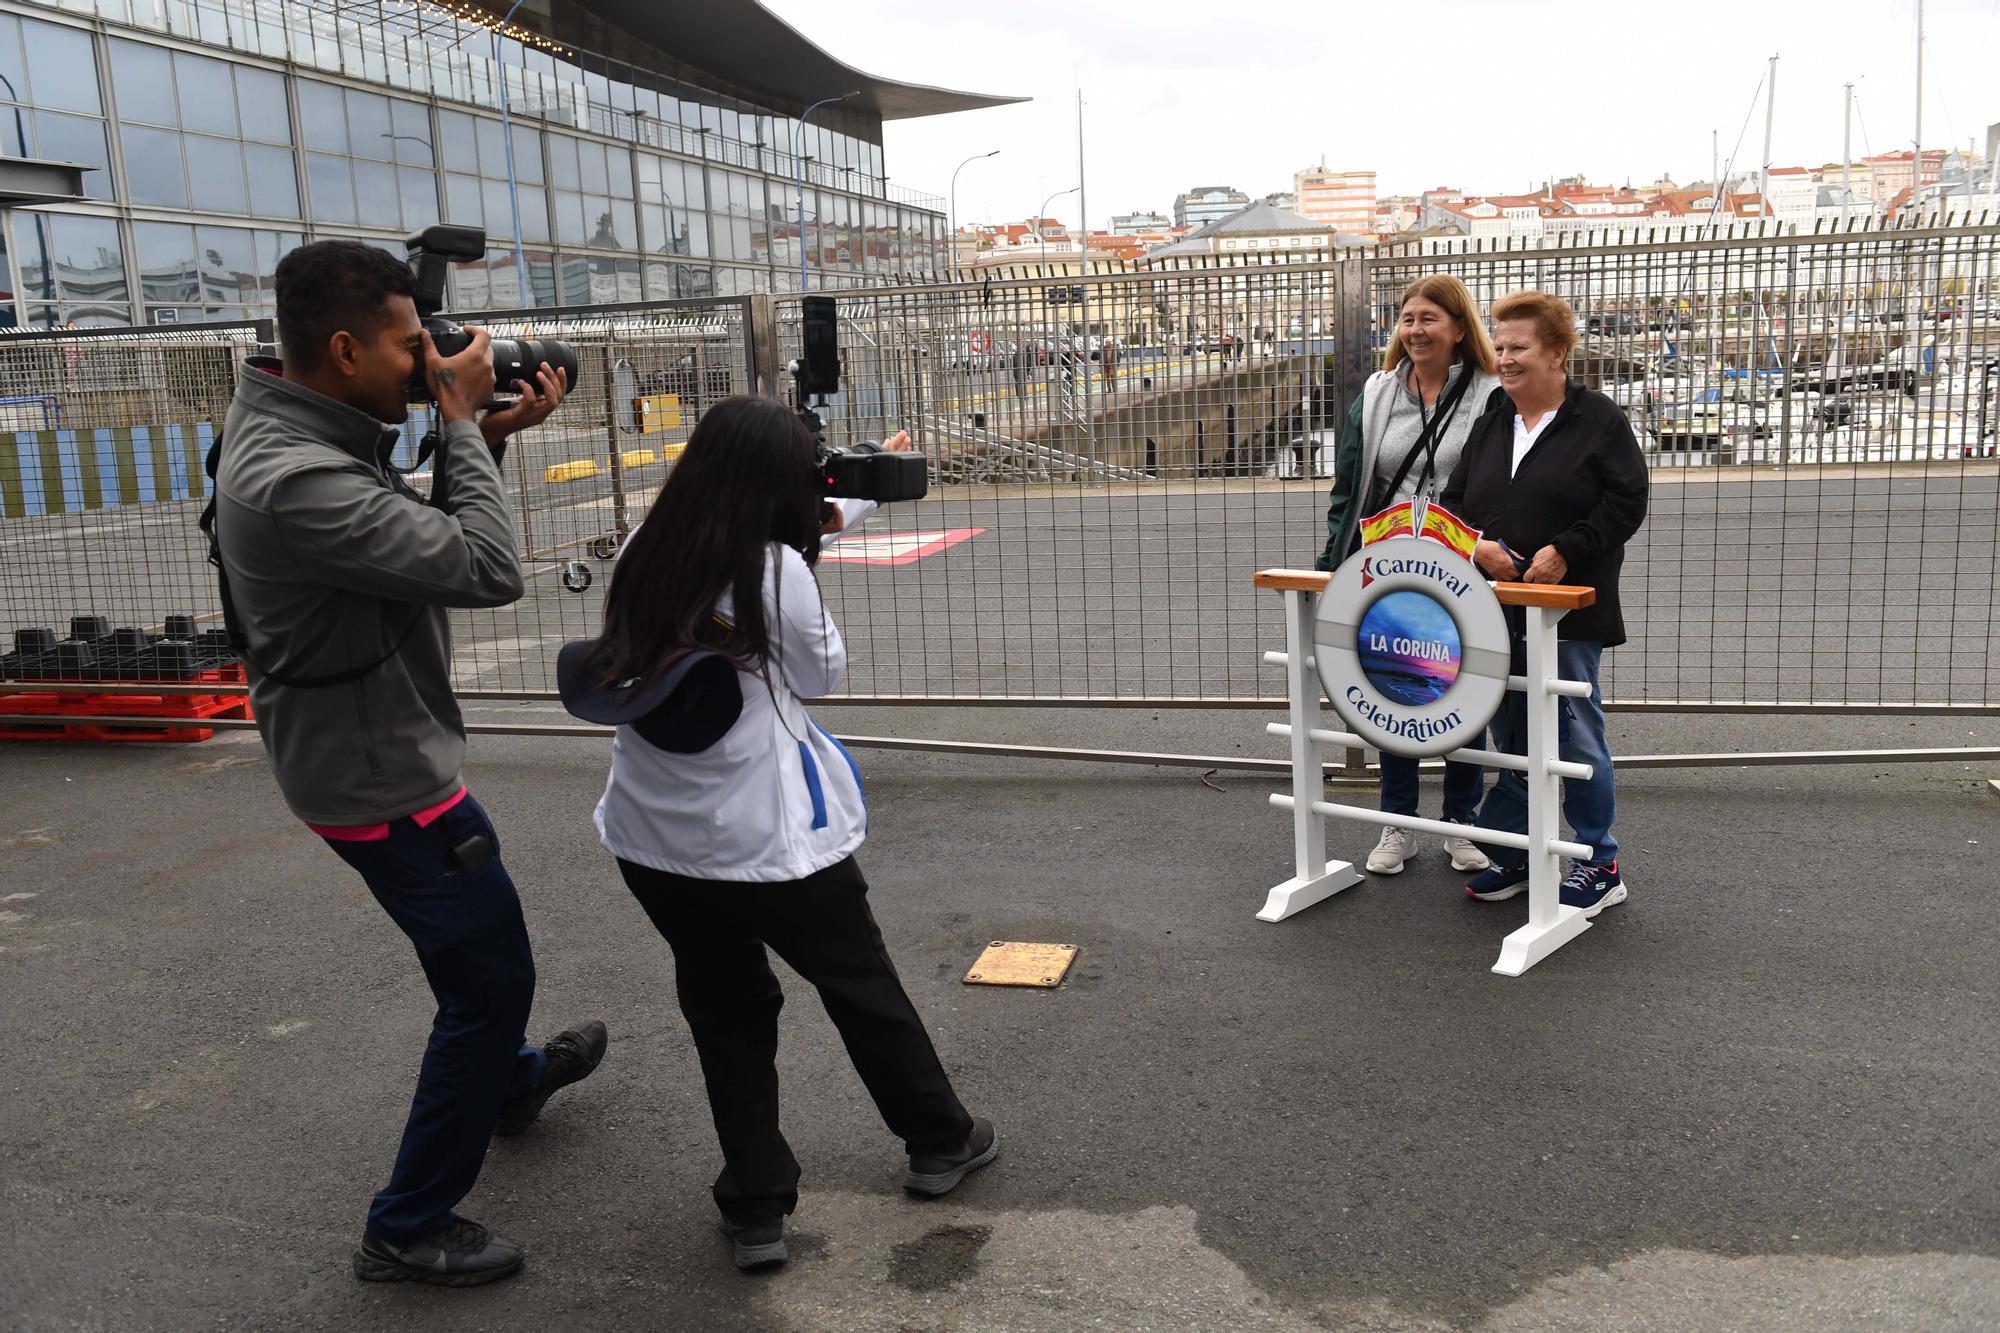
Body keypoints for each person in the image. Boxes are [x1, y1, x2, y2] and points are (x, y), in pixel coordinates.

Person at [213, 240, 605, 1288]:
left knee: (472, 966)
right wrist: (465, 424)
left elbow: (400, 536)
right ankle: (407, 1223)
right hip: (380, 777)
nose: (427, 362)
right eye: (406, 346)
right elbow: (479, 568)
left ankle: (508, 1082)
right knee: (490, 978)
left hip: (364, 746)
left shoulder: (294, 417)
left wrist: (485, 439)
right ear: (340, 348)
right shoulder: (293, 477)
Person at [587, 397, 995, 1273]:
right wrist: (800, 562)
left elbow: (779, 546)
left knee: (726, 1012)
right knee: (859, 984)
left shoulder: (643, 549)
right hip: (768, 839)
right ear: (779, 488)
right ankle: (938, 1139)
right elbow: (819, 673)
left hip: (656, 838)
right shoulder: (776, 569)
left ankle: (756, 1206)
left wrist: (858, 499)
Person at [1440, 289, 1649, 916]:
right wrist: (1477, 547)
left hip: (1568, 613)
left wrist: (1566, 549)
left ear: (1557, 353)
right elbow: (1454, 503)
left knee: (1572, 733)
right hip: (1494, 608)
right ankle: (1522, 850)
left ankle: (1598, 860)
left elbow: (1625, 501)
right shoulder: (1492, 420)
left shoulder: (1599, 421)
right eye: (1499, 347)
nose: (1503, 359)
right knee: (1510, 735)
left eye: (1518, 347)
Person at [1314, 275, 1502, 876]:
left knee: (1464, 691)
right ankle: (1398, 821)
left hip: (1463, 568)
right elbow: (1350, 487)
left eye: (1429, 319)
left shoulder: (1490, 394)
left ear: (1457, 327)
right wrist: (1331, 565)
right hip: (1388, 569)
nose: (1416, 330)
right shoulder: (1375, 395)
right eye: (1407, 318)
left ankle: (1460, 821)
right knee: (1395, 686)